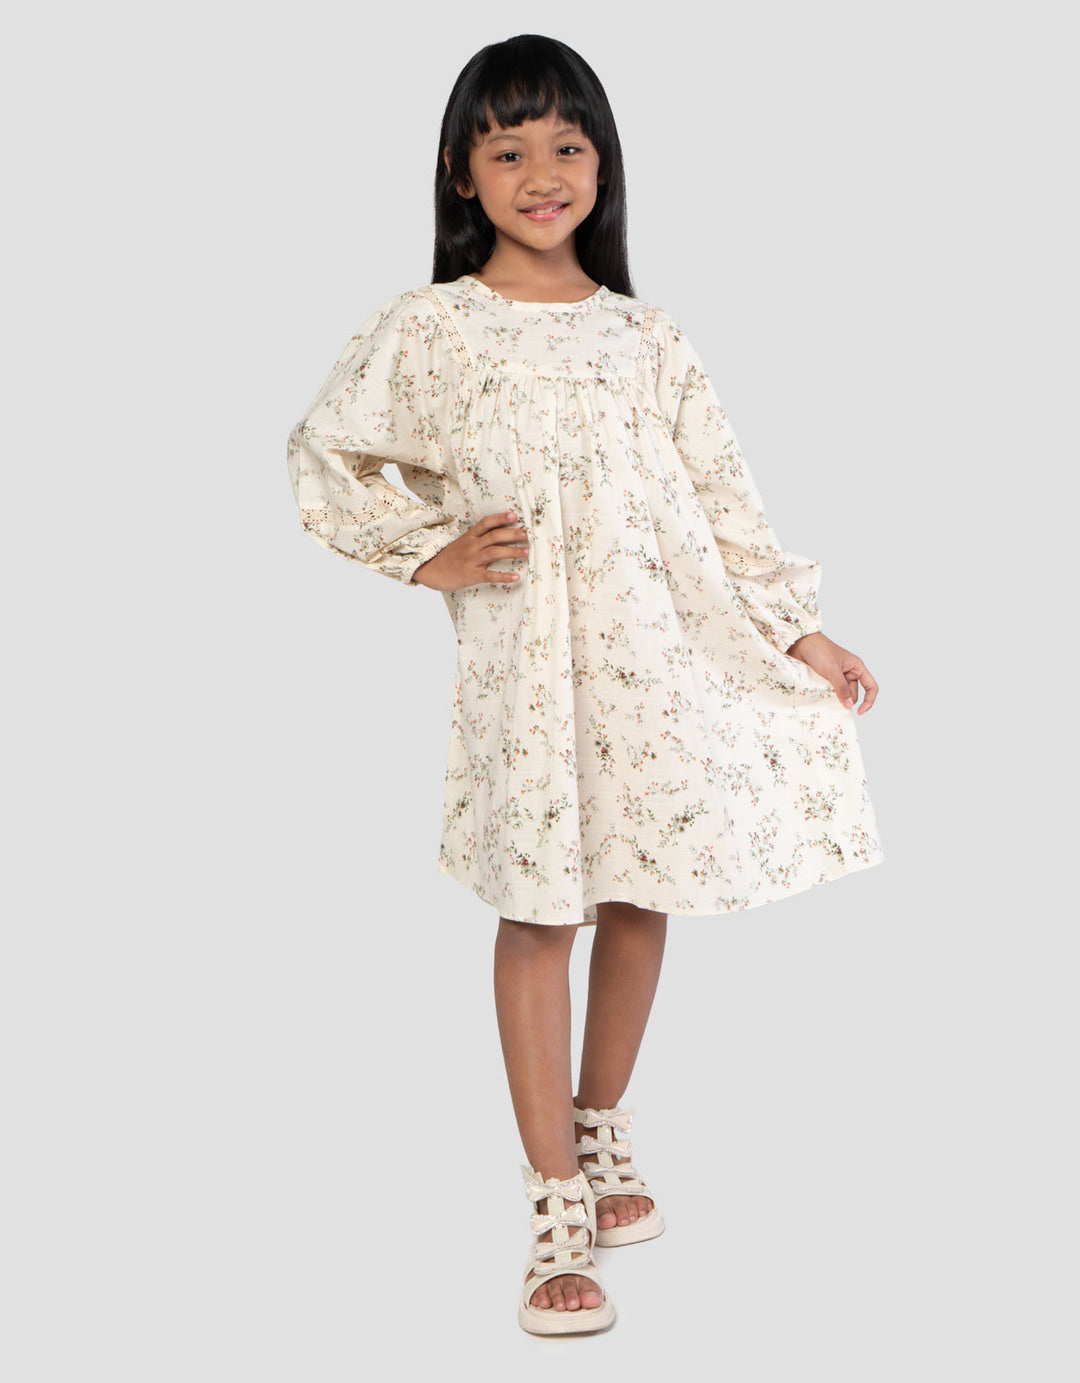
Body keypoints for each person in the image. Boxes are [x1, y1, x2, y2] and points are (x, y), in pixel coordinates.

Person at [286, 33, 885, 1336]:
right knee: (540, 906)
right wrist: (426, 553)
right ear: (463, 174)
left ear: (604, 164)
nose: (542, 173)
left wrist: (800, 635)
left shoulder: (647, 338)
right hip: (524, 669)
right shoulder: (434, 329)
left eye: (567, 145)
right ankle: (554, 1192)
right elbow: (327, 454)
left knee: (639, 887)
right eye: (509, 150)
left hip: (658, 659)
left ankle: (601, 1123)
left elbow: (722, 503)